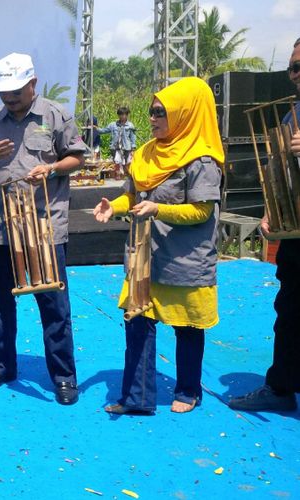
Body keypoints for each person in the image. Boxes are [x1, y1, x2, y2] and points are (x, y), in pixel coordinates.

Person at [93, 77, 224, 414]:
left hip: (185, 260)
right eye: (152, 112)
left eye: (160, 113)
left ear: (185, 115)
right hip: (145, 256)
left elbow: (202, 210)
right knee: (137, 322)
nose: (151, 118)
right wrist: (115, 207)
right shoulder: (147, 153)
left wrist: (158, 209)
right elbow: (131, 196)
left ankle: (189, 389)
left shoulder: (202, 160)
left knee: (187, 326)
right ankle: (136, 396)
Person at [0, 53, 86, 405]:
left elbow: (77, 157)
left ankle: (63, 376)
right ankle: (2, 364)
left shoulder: (55, 115)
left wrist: (51, 169)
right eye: (4, 91)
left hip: (42, 227)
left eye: (16, 89)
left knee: (53, 304)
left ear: (33, 83)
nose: (10, 97)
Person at [228, 38, 300, 412]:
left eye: (299, 67)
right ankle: (281, 388)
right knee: (289, 312)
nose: (296, 75)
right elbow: (281, 171)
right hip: (296, 234)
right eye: (293, 68)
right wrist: (271, 211)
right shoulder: (291, 115)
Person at [98, 106, 136, 175]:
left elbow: (132, 137)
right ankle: (119, 175)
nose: (122, 116)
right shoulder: (113, 125)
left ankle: (127, 176)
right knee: (117, 162)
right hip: (116, 147)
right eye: (120, 114)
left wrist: (133, 148)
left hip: (126, 147)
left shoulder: (130, 125)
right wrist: (95, 128)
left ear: (127, 115)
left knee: (127, 163)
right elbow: (104, 130)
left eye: (124, 114)